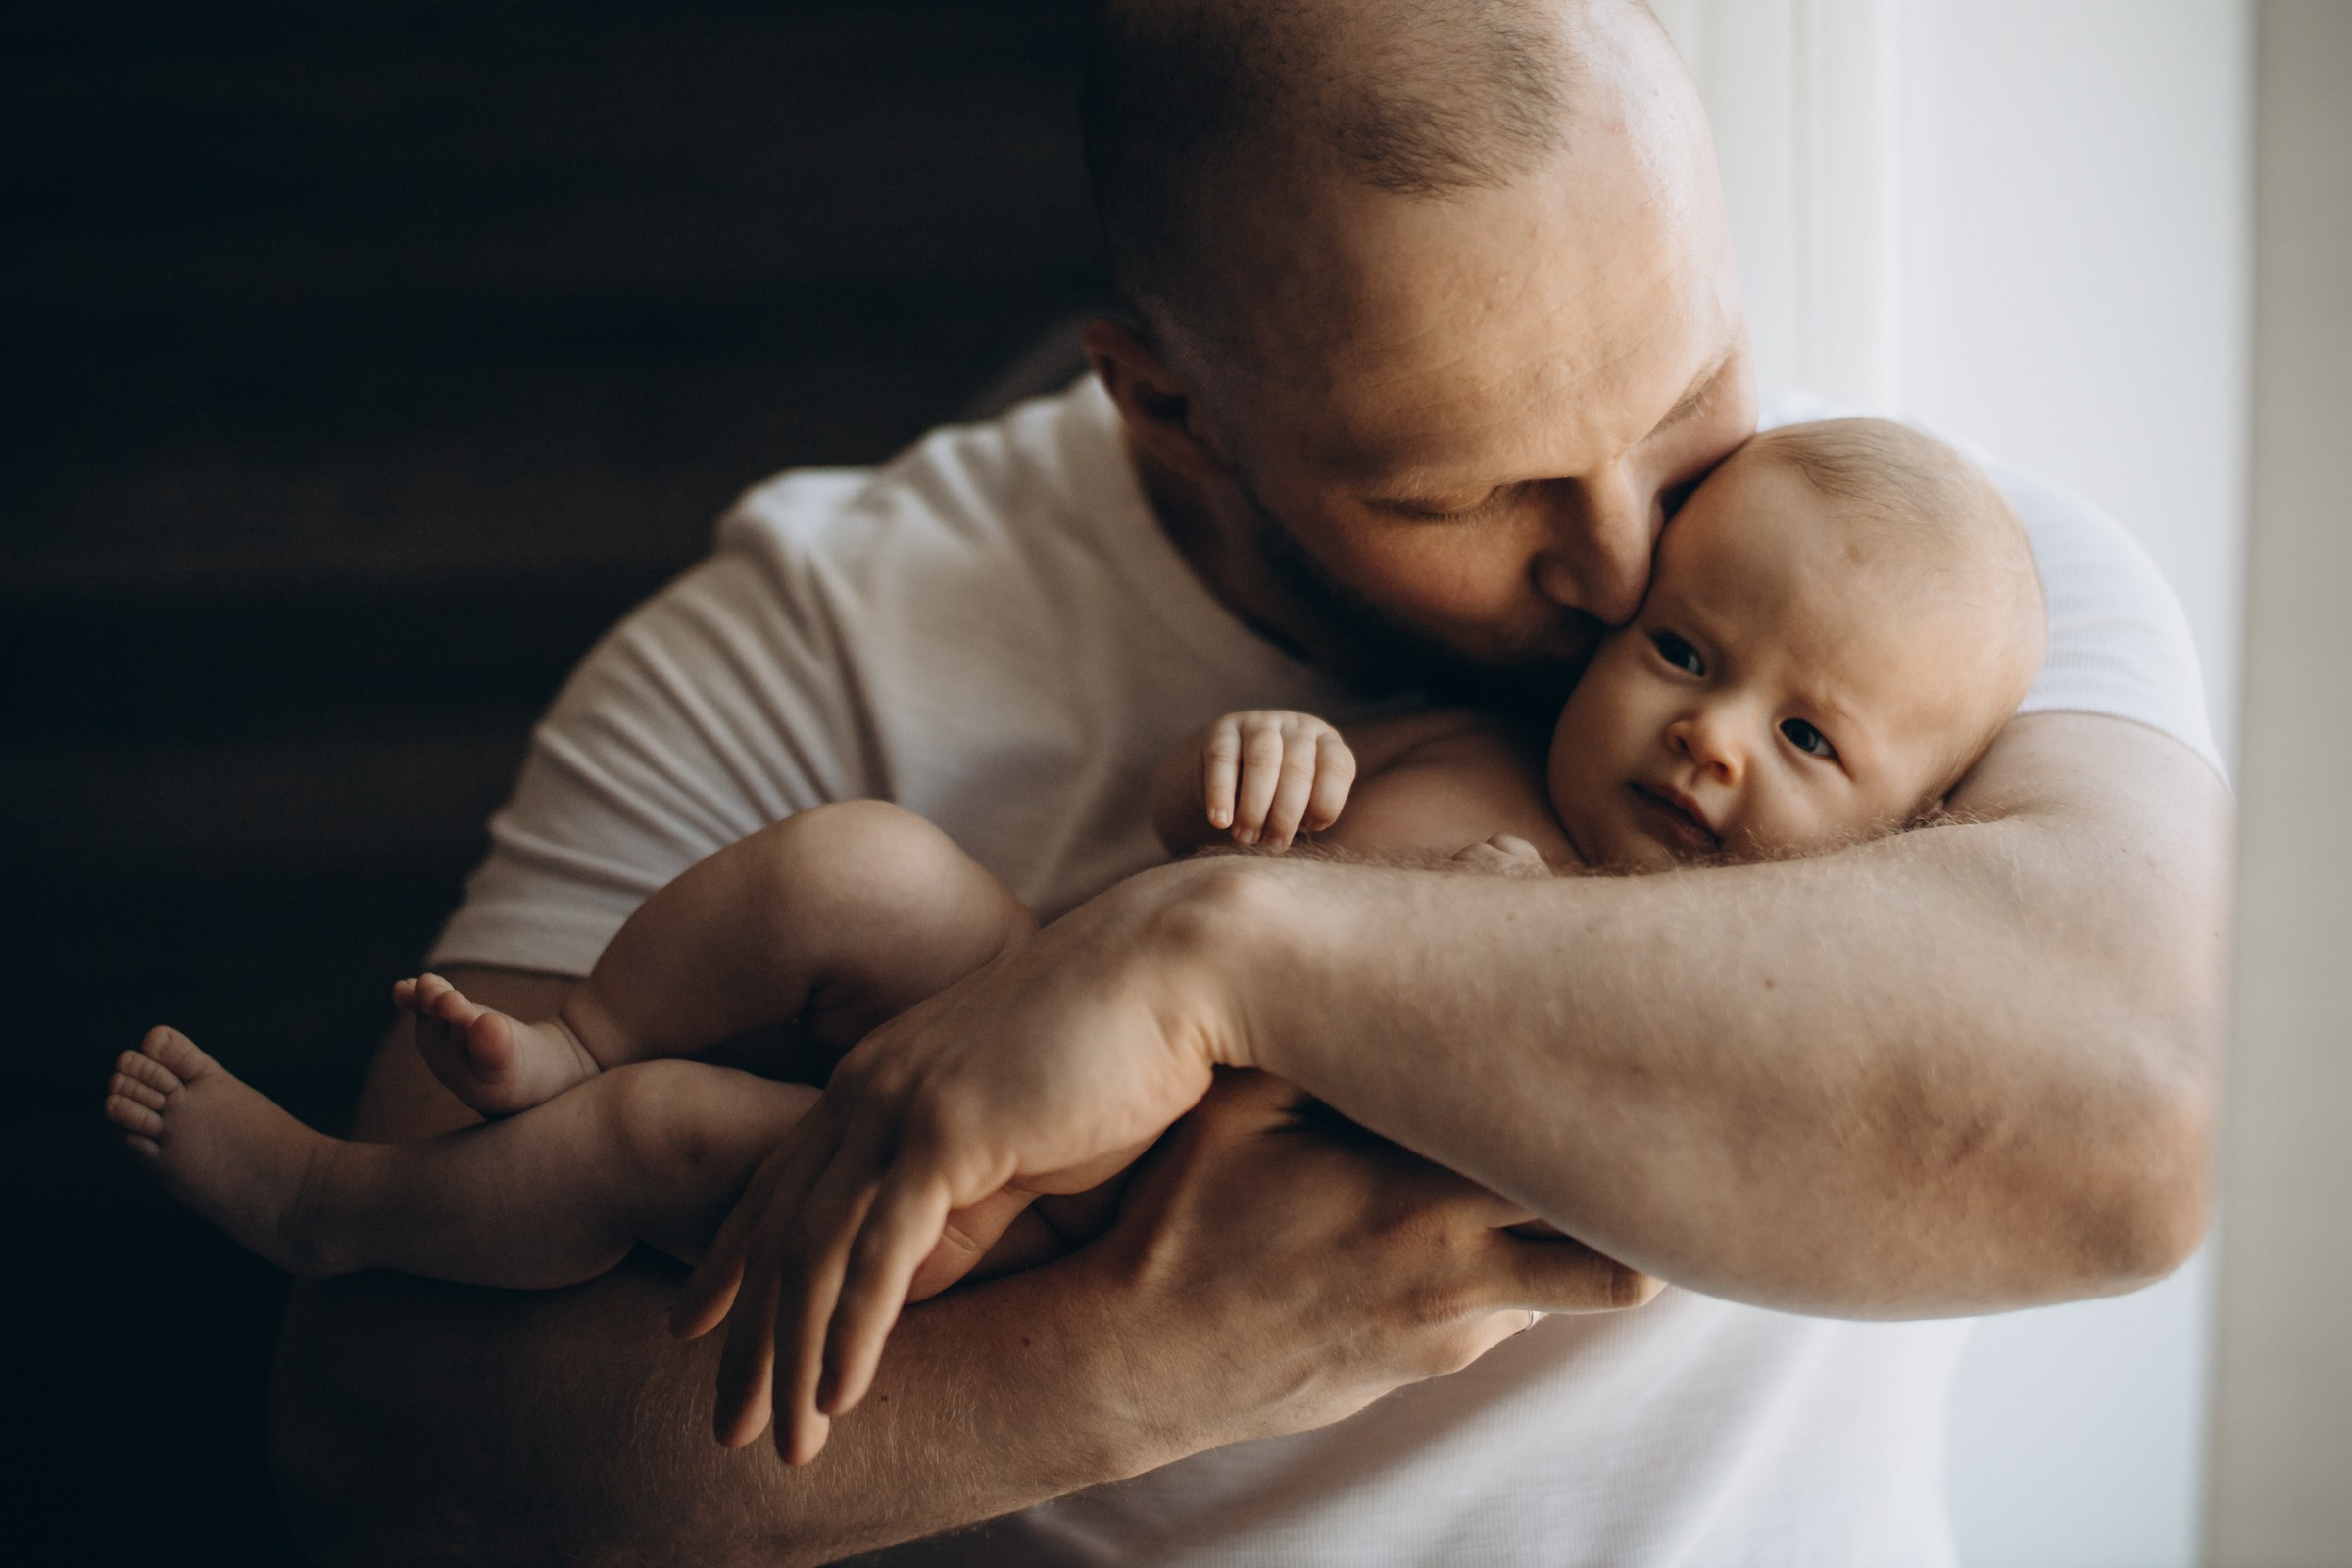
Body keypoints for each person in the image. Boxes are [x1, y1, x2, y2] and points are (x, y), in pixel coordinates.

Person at [265, 2, 2230, 1563]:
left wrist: (1219, 952)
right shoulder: (808, 648)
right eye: (1471, 490)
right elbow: (379, 1435)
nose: (1631, 570)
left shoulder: (1939, 591)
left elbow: (2131, 1127)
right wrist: (1142, 1351)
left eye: (1687, 394)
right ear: (1169, 402)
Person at [107, 418, 2044, 1318]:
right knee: (850, 869)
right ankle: (581, 1035)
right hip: (1034, 985)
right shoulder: (1485, 736)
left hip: (1067, 1211)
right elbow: (1207, 840)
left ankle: (338, 1209)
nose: (1705, 735)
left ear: (1907, 844)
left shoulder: (1725, 949)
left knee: (681, 1144)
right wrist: (1266, 773)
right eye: (1685, 652)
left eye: (1807, 741)